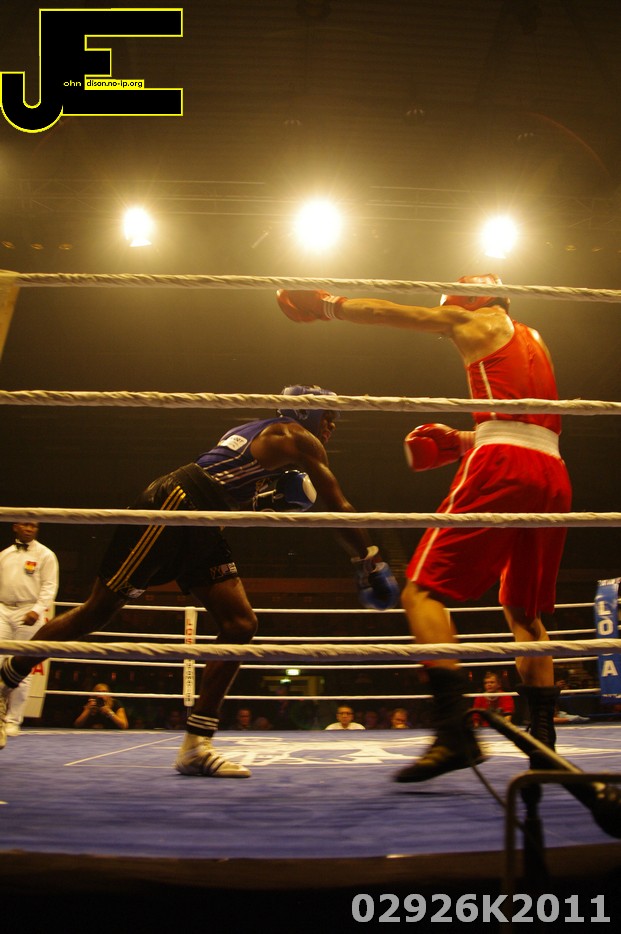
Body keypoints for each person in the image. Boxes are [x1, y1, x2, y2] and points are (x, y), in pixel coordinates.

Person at [0, 385, 399, 774]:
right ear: (305, 412)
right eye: (328, 417)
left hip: (204, 520)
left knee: (240, 624)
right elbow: (336, 505)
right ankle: (5, 682)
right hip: (176, 505)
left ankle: (196, 745)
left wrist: (262, 499)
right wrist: (369, 558)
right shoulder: (298, 436)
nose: (331, 426)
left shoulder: (251, 431)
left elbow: (225, 485)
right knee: (96, 612)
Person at [277, 276, 572, 780]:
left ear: (468, 300)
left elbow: (387, 312)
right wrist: (461, 440)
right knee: (523, 610)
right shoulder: (534, 340)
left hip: (504, 465)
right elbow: (523, 421)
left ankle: (454, 733)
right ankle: (544, 746)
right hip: (553, 473)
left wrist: (329, 306)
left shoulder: (472, 319)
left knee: (421, 592)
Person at [0, 521, 59, 737]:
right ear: (15, 526)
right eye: (25, 525)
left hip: (29, 610)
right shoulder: (4, 555)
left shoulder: (46, 555)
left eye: (33, 526)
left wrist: (37, 609)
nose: (29, 529)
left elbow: (50, 586)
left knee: (22, 665)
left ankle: (13, 720)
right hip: (2, 609)